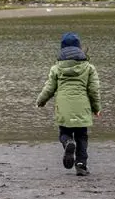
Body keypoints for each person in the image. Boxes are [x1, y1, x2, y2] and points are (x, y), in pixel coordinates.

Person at [35, 32, 101, 176]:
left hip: (63, 107)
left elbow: (49, 88)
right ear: (79, 48)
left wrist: (41, 101)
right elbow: (93, 90)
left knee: (64, 133)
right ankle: (81, 165)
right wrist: (96, 108)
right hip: (82, 107)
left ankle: (67, 143)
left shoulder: (56, 68)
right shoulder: (89, 68)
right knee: (82, 136)